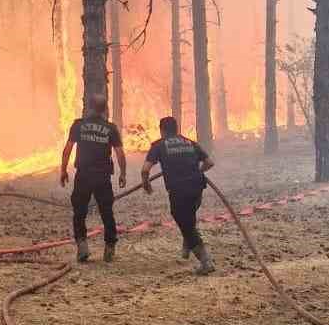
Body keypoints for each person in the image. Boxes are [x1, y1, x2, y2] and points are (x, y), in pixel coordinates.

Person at [142, 116, 215, 274]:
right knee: (189, 216)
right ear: (176, 129)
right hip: (197, 187)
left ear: (162, 130)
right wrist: (196, 172)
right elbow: (210, 162)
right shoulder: (190, 142)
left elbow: (145, 169)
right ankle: (188, 244)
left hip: (179, 189)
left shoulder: (159, 145)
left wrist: (146, 184)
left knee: (184, 221)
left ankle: (205, 261)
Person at [60, 93, 126, 263]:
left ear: (88, 107)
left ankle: (82, 246)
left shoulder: (78, 125)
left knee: (79, 212)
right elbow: (120, 153)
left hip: (83, 175)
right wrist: (123, 174)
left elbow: (67, 149)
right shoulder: (111, 128)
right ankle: (110, 247)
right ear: (105, 109)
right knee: (106, 212)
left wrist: (63, 170)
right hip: (102, 177)